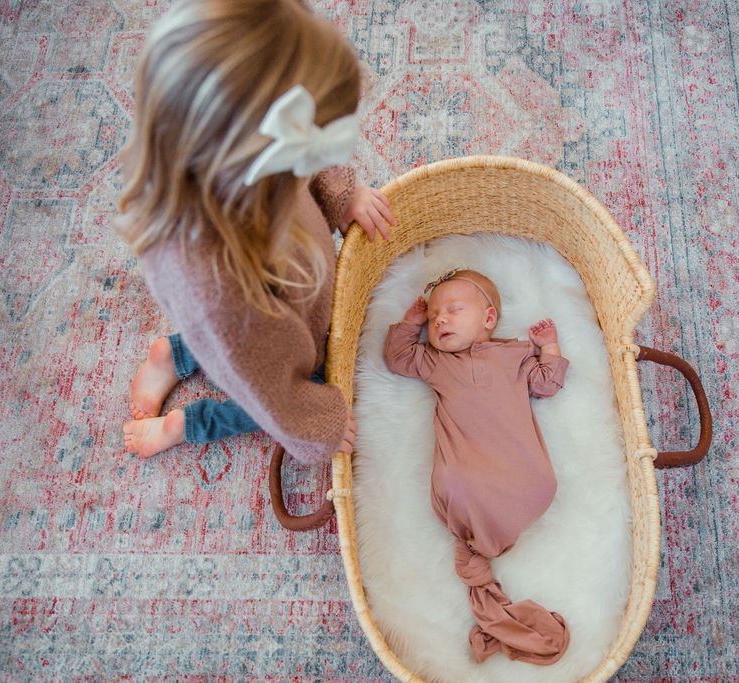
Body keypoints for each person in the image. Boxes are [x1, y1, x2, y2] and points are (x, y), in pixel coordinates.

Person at [116, 0, 393, 463]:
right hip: (263, 354)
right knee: (285, 392)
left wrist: (341, 195)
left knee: (241, 349)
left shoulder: (225, 167)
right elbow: (276, 396)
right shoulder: (223, 298)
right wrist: (321, 427)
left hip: (273, 316)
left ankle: (175, 354)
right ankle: (184, 424)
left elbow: (307, 164)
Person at [383, 269, 571, 665]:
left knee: (543, 483)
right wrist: (410, 322)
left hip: (521, 469)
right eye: (434, 317)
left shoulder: (516, 354)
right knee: (455, 480)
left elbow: (547, 385)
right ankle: (476, 542)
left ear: (488, 319)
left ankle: (486, 542)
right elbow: (396, 357)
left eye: (453, 310)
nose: (441, 320)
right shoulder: (435, 361)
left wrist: (549, 346)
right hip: (465, 472)